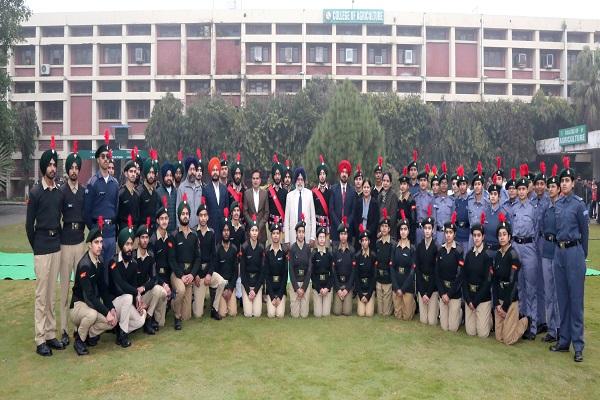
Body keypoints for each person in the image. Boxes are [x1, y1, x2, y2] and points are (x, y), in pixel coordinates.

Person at [26, 136, 65, 356]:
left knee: (52, 294)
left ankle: (51, 334)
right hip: (41, 247)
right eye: (49, 165)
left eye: (54, 164)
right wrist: (37, 246)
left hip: (56, 245)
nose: (52, 168)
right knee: (41, 295)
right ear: (43, 167)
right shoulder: (35, 193)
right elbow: (28, 225)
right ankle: (40, 338)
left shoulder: (58, 193)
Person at [550, 157, 589, 363]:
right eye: (562, 180)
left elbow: (584, 232)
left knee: (576, 301)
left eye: (567, 180)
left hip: (574, 253)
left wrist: (582, 257)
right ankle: (564, 341)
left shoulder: (578, 204)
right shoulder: (557, 204)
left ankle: (578, 345)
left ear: (573, 183)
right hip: (559, 253)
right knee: (562, 299)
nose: (564, 183)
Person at [70, 223, 118, 355]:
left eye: (101, 242)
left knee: (113, 321)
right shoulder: (84, 265)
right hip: (78, 305)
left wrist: (111, 308)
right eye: (96, 242)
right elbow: (89, 296)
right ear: (89, 245)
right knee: (92, 315)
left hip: (91, 304)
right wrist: (105, 312)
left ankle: (88, 335)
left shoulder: (100, 261)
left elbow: (103, 289)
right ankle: (79, 341)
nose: (100, 245)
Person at [58, 142, 86, 346]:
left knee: (79, 286)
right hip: (65, 243)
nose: (74, 171)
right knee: (65, 288)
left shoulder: (83, 192)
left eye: (77, 168)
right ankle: (63, 329)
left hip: (80, 241)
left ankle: (77, 326)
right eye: (71, 168)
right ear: (67, 170)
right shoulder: (61, 192)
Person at [107, 221, 148, 347]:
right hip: (113, 304)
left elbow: (133, 285)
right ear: (120, 246)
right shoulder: (113, 262)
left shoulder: (134, 264)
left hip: (127, 302)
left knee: (141, 320)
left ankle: (120, 330)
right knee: (128, 297)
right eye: (127, 244)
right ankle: (123, 337)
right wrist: (136, 293)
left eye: (131, 244)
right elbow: (120, 284)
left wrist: (138, 302)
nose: (130, 248)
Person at [84, 131, 119, 272]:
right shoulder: (92, 183)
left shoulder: (115, 183)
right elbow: (86, 213)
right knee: (97, 269)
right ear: (98, 159)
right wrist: (94, 232)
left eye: (108, 157)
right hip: (98, 234)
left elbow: (116, 208)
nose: (106, 159)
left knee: (110, 269)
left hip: (111, 234)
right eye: (103, 157)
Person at [492, 212, 529, 345]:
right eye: (499, 235)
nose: (502, 238)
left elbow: (513, 283)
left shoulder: (513, 255)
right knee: (498, 337)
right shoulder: (496, 255)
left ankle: (524, 321)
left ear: (509, 237)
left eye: (504, 235)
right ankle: (509, 322)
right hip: (500, 299)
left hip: (510, 300)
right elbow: (494, 280)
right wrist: (497, 304)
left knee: (508, 340)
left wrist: (505, 307)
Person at [511, 165, 539, 340]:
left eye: (523, 189)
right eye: (518, 189)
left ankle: (533, 325)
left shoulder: (533, 208)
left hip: (529, 248)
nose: (521, 192)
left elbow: (536, 229)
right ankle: (521, 322)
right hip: (516, 247)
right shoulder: (512, 209)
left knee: (531, 288)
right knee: (519, 286)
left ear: (527, 190)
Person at [170, 196, 201, 330]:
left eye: (187, 213)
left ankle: (173, 303)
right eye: (182, 214)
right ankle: (176, 317)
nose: (185, 216)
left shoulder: (194, 235)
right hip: (177, 275)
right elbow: (171, 259)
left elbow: (198, 258)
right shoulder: (174, 235)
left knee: (187, 316)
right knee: (181, 290)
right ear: (179, 216)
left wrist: (192, 275)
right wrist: (181, 275)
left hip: (189, 276)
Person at [194, 199, 226, 320]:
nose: (203, 218)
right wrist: (196, 274)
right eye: (201, 215)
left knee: (222, 282)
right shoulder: (193, 233)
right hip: (198, 275)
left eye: (205, 215)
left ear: (208, 217)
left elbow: (214, 256)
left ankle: (214, 308)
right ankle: (196, 301)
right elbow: (193, 257)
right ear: (198, 217)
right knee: (198, 314)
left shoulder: (212, 233)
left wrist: (209, 274)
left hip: (208, 273)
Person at [134, 219, 168, 335]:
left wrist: (143, 288)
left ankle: (148, 318)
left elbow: (154, 279)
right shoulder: (133, 256)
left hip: (144, 293)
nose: (145, 240)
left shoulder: (151, 256)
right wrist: (136, 294)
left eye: (147, 237)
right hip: (133, 296)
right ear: (138, 239)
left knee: (159, 290)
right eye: (142, 237)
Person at [463, 213, 493, 338]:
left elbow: (487, 282)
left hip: (482, 299)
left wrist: (476, 302)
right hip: (470, 298)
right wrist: (469, 300)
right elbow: (464, 279)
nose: (476, 238)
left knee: (482, 334)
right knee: (470, 332)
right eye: (474, 235)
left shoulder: (488, 255)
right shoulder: (469, 254)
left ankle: (490, 320)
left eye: (479, 235)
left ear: (483, 236)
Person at [540, 164, 561, 343]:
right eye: (549, 186)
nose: (550, 189)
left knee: (558, 292)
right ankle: (552, 328)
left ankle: (560, 327)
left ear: (559, 188)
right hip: (546, 250)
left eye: (553, 186)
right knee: (548, 291)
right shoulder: (546, 208)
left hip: (558, 251)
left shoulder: (561, 208)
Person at [531, 162, 551, 335]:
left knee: (544, 284)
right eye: (536, 184)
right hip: (533, 244)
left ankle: (544, 320)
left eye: (541, 184)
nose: (539, 187)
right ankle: (538, 319)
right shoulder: (531, 201)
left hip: (544, 243)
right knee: (535, 282)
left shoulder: (548, 202)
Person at [436, 212, 464, 332]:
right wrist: (443, 294)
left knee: (452, 328)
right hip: (443, 294)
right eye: (446, 233)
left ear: (454, 234)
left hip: (454, 294)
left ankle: (460, 312)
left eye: (450, 233)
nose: (448, 235)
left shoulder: (459, 251)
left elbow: (460, 276)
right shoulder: (440, 250)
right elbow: (437, 274)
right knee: (444, 327)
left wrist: (449, 294)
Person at [149, 202, 175, 328]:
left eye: (166, 218)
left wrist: (170, 283)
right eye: (162, 219)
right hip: (156, 279)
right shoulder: (152, 240)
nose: (164, 221)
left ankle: (167, 304)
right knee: (161, 323)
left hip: (167, 277)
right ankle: (150, 315)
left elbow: (172, 261)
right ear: (158, 221)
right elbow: (152, 268)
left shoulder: (170, 238)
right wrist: (162, 284)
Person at [391, 211, 416, 321]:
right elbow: (392, 268)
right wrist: (397, 288)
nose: (403, 232)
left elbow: (412, 272)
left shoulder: (412, 248)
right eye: (401, 229)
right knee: (397, 315)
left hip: (407, 287)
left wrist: (403, 289)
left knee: (406, 317)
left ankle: (413, 303)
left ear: (408, 231)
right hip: (397, 286)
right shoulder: (394, 247)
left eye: (405, 229)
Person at [415, 207, 439, 325]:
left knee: (432, 321)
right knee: (424, 320)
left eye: (430, 228)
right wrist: (422, 291)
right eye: (425, 228)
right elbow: (418, 269)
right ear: (422, 230)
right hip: (422, 287)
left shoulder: (436, 247)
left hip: (432, 289)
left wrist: (428, 293)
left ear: (433, 230)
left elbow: (436, 272)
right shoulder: (419, 247)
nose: (427, 231)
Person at [215, 209, 239, 318]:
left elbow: (235, 271)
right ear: (221, 232)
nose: (226, 233)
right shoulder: (217, 249)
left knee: (233, 313)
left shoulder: (234, 249)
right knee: (222, 313)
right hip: (221, 286)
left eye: (228, 230)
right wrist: (224, 289)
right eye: (224, 230)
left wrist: (230, 289)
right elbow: (216, 272)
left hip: (230, 286)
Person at [240, 215, 265, 317]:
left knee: (257, 314)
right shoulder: (244, 247)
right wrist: (248, 290)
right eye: (252, 230)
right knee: (248, 314)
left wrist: (255, 290)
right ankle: (246, 297)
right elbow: (242, 271)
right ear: (249, 232)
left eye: (256, 230)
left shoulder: (261, 248)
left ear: (258, 232)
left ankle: (255, 296)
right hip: (247, 284)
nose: (254, 233)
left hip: (257, 285)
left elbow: (262, 272)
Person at [284, 167, 316, 246]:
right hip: (293, 237)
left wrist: (312, 237)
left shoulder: (309, 194)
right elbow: (287, 219)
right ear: (295, 180)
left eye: (302, 179)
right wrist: (287, 239)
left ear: (304, 181)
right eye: (298, 179)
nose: (300, 182)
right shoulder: (289, 196)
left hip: (306, 235)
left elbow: (313, 217)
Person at [288, 216, 312, 318]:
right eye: (299, 232)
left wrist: (303, 287)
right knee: (295, 315)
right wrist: (297, 288)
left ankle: (303, 295)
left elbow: (309, 269)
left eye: (303, 232)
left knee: (304, 314)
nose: (301, 234)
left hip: (305, 283)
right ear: (296, 233)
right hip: (295, 283)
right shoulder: (292, 248)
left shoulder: (308, 248)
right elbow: (291, 270)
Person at [264, 217, 288, 318]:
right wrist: (273, 296)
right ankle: (271, 300)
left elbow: (285, 276)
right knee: (271, 314)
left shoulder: (284, 251)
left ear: (280, 235)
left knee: (280, 315)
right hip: (271, 290)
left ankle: (281, 300)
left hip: (281, 289)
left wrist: (280, 295)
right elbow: (267, 275)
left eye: (277, 233)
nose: (275, 236)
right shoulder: (267, 251)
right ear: (271, 235)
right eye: (273, 233)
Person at [332, 217, 355, 316]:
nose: (343, 236)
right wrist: (338, 289)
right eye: (341, 234)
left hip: (347, 286)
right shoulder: (335, 250)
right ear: (339, 235)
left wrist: (347, 289)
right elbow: (333, 272)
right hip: (338, 285)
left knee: (347, 312)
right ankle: (338, 297)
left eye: (345, 234)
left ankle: (346, 296)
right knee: (337, 312)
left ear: (347, 235)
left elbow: (353, 272)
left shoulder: (352, 250)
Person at [329, 160, 356, 248]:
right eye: (342, 172)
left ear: (348, 175)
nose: (344, 174)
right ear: (340, 174)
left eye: (346, 172)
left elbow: (353, 211)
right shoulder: (333, 189)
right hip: (336, 231)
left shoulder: (352, 191)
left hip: (348, 231)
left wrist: (346, 224)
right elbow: (331, 210)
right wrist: (339, 225)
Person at [375, 208, 395, 316]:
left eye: (386, 226)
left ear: (389, 229)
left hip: (388, 280)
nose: (384, 228)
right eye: (382, 226)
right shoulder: (377, 243)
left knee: (386, 313)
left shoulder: (392, 244)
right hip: (379, 279)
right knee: (380, 311)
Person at [204, 157, 229, 242]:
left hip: (222, 229)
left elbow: (227, 208)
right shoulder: (206, 189)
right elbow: (205, 210)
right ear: (210, 172)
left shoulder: (224, 189)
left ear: (219, 171)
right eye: (213, 170)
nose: (215, 172)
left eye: (216, 170)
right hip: (210, 228)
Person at [467, 162, 490, 250]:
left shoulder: (488, 199)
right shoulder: (469, 199)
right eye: (475, 184)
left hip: (483, 237)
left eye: (479, 184)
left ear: (482, 185)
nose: (477, 186)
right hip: (472, 237)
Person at [311, 225, 333, 317]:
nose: (322, 239)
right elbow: (312, 274)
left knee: (326, 314)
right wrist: (319, 288)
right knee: (318, 314)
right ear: (317, 239)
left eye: (323, 237)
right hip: (317, 287)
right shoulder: (314, 254)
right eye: (320, 237)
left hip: (327, 287)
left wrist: (327, 288)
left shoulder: (329, 254)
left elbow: (332, 273)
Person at [177, 152, 203, 229]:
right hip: (186, 229)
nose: (192, 172)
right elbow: (177, 211)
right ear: (187, 171)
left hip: (199, 229)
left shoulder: (200, 188)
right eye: (190, 169)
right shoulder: (182, 188)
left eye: (194, 169)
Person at [355, 224, 376, 317]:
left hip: (369, 290)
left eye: (366, 240)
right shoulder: (357, 256)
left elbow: (374, 277)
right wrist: (360, 295)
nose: (364, 242)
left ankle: (370, 300)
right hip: (361, 290)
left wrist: (368, 295)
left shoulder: (373, 256)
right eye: (362, 240)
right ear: (360, 242)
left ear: (369, 241)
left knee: (369, 314)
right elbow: (356, 277)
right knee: (361, 313)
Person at [243, 169, 269, 244]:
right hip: (250, 231)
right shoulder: (247, 193)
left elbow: (266, 212)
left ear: (260, 180)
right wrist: (252, 224)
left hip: (262, 231)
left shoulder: (265, 193)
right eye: (253, 178)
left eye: (257, 178)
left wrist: (259, 226)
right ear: (251, 180)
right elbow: (245, 211)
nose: (255, 180)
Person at [137, 150, 160, 234]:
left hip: (154, 232)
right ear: (146, 173)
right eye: (149, 172)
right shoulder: (139, 192)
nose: (151, 175)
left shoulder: (156, 193)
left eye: (153, 173)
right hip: (142, 233)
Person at [353, 179, 379, 251]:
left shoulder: (375, 203)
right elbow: (355, 219)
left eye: (368, 187)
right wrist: (360, 232)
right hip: (359, 235)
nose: (366, 189)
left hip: (371, 236)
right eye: (364, 187)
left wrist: (367, 233)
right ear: (362, 188)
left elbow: (376, 221)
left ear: (370, 189)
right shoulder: (358, 202)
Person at [118, 152, 140, 233]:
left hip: (135, 231)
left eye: (135, 172)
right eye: (131, 171)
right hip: (123, 231)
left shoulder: (137, 194)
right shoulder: (120, 193)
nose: (133, 174)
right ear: (126, 173)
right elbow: (117, 216)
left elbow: (138, 216)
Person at [267, 154, 287, 243]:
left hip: (282, 227)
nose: (277, 176)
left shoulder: (285, 192)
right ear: (273, 176)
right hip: (271, 226)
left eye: (279, 174)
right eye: (275, 174)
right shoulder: (268, 191)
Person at [433, 161, 454, 245]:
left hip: (448, 235)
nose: (444, 185)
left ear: (448, 185)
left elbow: (453, 220)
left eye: (446, 183)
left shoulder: (452, 201)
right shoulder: (434, 201)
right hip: (437, 235)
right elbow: (433, 220)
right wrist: (433, 235)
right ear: (439, 185)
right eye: (442, 183)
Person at [312, 155, 331, 242]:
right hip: (317, 226)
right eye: (320, 174)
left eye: (323, 174)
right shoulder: (313, 192)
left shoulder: (330, 191)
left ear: (326, 175)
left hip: (327, 226)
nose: (322, 176)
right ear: (318, 176)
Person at [414, 164, 434, 245]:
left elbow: (433, 216)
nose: (423, 182)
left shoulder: (431, 198)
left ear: (427, 182)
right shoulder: (415, 198)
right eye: (421, 180)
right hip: (418, 230)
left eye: (424, 180)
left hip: (428, 230)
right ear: (418, 182)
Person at [453, 165, 470, 256]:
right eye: (460, 184)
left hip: (467, 236)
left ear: (467, 185)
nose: (462, 187)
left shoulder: (470, 200)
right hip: (458, 235)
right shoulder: (456, 201)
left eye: (464, 184)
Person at [156, 162, 178, 233]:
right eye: (167, 175)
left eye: (171, 175)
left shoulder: (176, 192)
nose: (169, 178)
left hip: (174, 231)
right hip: (162, 231)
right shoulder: (158, 192)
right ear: (163, 177)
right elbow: (156, 214)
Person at [398, 167, 417, 243]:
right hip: (400, 234)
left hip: (408, 236)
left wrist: (411, 238)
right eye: (401, 184)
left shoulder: (411, 201)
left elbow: (413, 221)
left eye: (404, 184)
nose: (402, 186)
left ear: (408, 186)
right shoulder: (399, 200)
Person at [378, 172, 398, 240]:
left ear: (390, 183)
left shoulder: (393, 195)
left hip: (390, 233)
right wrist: (379, 231)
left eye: (387, 181)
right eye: (384, 180)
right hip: (381, 233)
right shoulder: (380, 195)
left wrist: (385, 229)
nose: (385, 183)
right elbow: (378, 215)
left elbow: (393, 217)